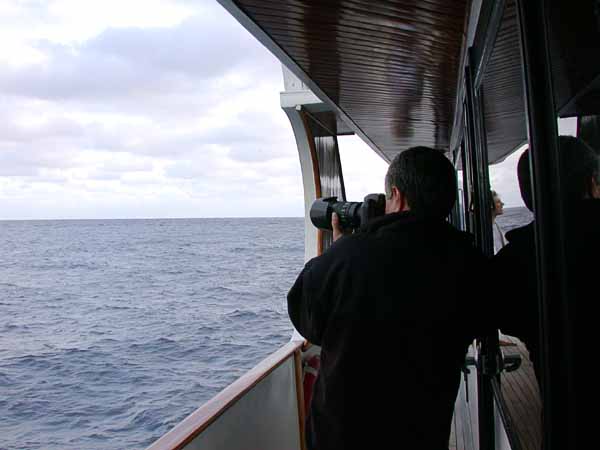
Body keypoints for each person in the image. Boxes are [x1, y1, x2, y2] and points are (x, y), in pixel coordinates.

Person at [288, 147, 487, 450]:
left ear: (398, 195)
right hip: (424, 430)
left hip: (346, 434)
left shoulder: (349, 256)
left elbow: (307, 321)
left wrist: (343, 249)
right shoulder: (470, 260)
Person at [491, 136, 600, 425]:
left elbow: (510, 318)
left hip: (565, 419)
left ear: (528, 195)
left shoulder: (516, 258)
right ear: (591, 183)